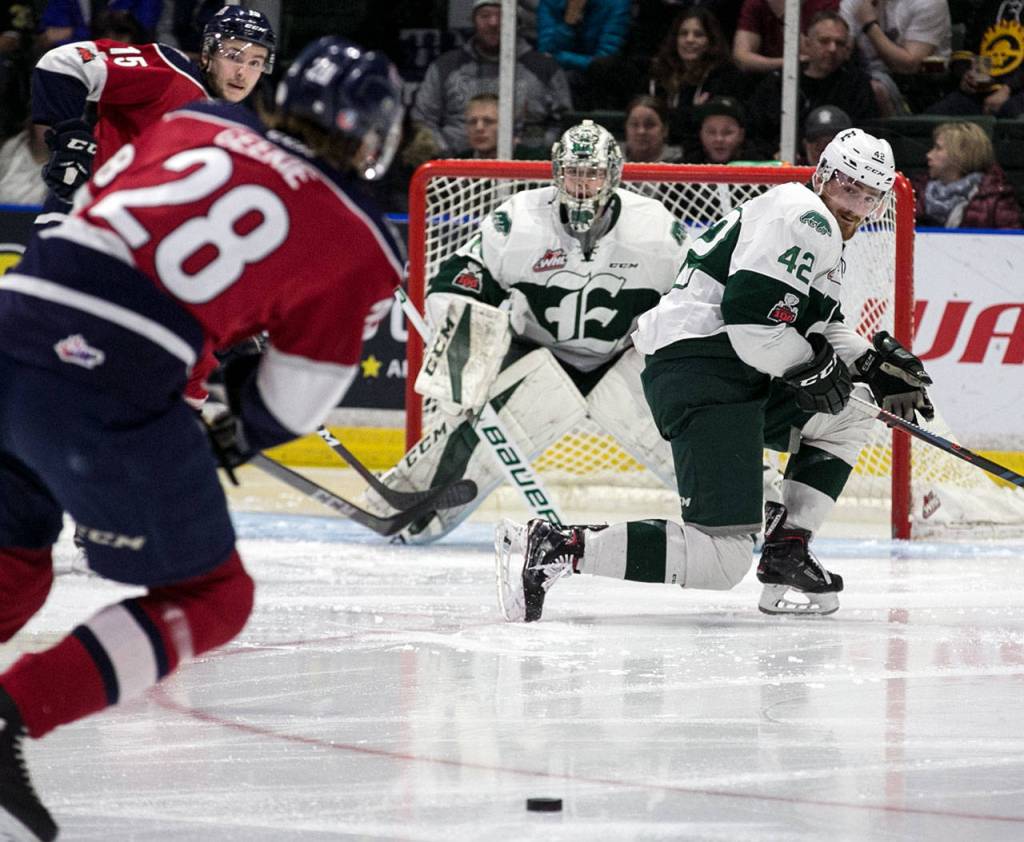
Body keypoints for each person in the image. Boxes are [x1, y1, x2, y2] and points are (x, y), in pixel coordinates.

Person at [0, 35, 404, 841]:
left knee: (15, 556)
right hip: (106, 381)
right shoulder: (363, 239)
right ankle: (14, 715)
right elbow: (294, 400)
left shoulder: (195, 121)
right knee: (216, 595)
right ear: (373, 135)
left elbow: (100, 214)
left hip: (14, 320)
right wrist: (230, 432)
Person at [495, 128, 935, 623]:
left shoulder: (809, 224)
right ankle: (558, 545)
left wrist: (869, 365)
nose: (855, 205)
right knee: (721, 560)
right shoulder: (807, 216)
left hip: (731, 370)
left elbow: (816, 326)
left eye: (870, 196)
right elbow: (751, 320)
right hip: (705, 370)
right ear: (823, 177)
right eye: (847, 188)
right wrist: (811, 368)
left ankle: (787, 547)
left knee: (848, 412)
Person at [367, 120, 690, 544]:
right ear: (557, 172)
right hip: (541, 353)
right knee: (468, 431)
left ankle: (753, 510)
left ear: (612, 175)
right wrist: (463, 366)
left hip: (622, 359)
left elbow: (692, 301)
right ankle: (412, 510)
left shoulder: (656, 230)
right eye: (574, 172)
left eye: (592, 173)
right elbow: (456, 285)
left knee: (689, 429)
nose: (582, 184)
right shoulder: (517, 220)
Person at [31, 4, 276, 212]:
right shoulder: (168, 71)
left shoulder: (242, 124)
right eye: (233, 56)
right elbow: (64, 61)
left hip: (141, 237)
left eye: (256, 62)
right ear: (205, 54)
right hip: (82, 213)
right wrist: (69, 138)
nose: (243, 73)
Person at [406, 0, 571, 163]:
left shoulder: (544, 67)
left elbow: (563, 121)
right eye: (485, 16)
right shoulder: (445, 66)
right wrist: (446, 157)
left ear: (517, 21)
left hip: (529, 168)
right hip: (455, 170)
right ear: (473, 21)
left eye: (502, 15)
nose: (494, 22)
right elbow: (424, 118)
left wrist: (539, 153)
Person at [746, 10, 877, 156]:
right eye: (824, 41)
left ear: (847, 49)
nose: (832, 49)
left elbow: (867, 137)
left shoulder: (857, 85)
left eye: (839, 43)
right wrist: (772, 155)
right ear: (807, 44)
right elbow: (755, 135)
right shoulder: (779, 84)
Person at [646, 6, 747, 155]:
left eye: (698, 34)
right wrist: (694, 112)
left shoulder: (724, 76)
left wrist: (680, 117)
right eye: (683, 34)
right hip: (658, 153)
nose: (689, 40)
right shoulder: (660, 74)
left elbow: (705, 127)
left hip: (699, 156)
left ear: (711, 40)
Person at [840, 0, 952, 115]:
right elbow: (841, 51)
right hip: (865, 74)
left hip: (919, 87)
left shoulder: (929, 3)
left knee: (874, 89)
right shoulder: (854, 2)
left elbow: (909, 66)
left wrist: (870, 26)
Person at [913, 121, 1022, 229]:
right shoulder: (916, 193)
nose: (929, 155)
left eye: (938, 148)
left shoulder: (996, 200)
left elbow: (1012, 243)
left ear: (961, 155)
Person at [536, 0, 632, 108]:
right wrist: (569, 22)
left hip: (600, 83)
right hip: (558, 78)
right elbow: (545, 53)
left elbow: (603, 61)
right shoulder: (550, 3)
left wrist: (559, 57)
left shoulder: (616, 3)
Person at [732, 0, 839, 75]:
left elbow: (816, 57)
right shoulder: (759, 3)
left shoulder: (826, 3)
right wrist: (786, 63)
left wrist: (785, 14)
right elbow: (741, 58)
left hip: (814, 81)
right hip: (768, 79)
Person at [688, 95, 762, 163]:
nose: (719, 139)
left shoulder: (761, 167)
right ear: (701, 134)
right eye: (711, 132)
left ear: (741, 135)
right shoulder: (686, 167)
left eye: (727, 132)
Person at [623, 94, 684, 162]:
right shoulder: (611, 161)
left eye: (649, 125)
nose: (641, 131)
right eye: (634, 124)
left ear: (665, 130)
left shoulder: (681, 163)